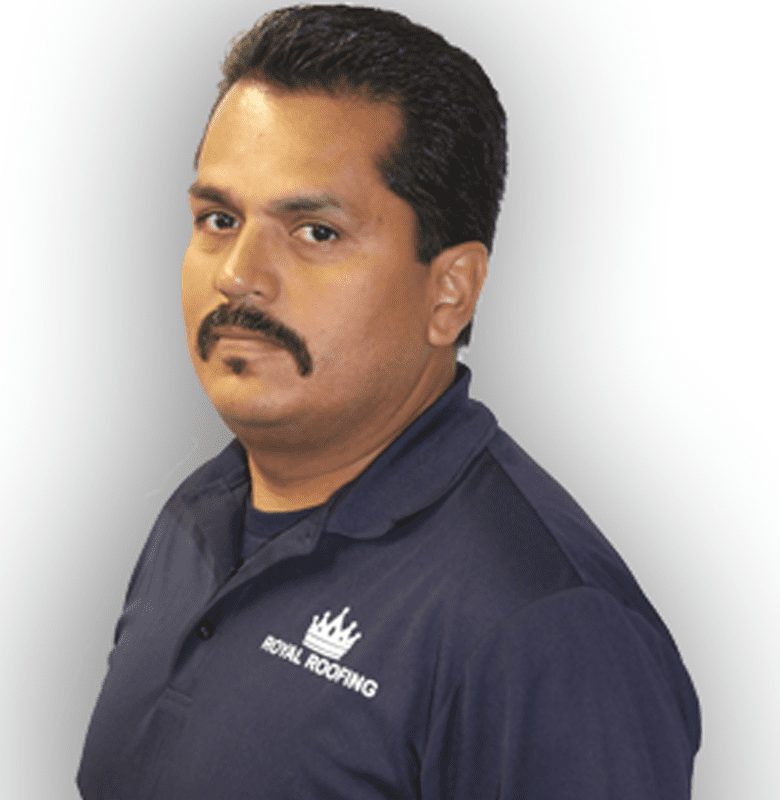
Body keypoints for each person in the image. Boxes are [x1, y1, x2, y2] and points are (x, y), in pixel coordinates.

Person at [77, 5, 700, 798]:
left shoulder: (546, 627)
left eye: (315, 233)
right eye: (219, 219)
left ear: (451, 291)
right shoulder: (194, 516)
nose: (238, 273)